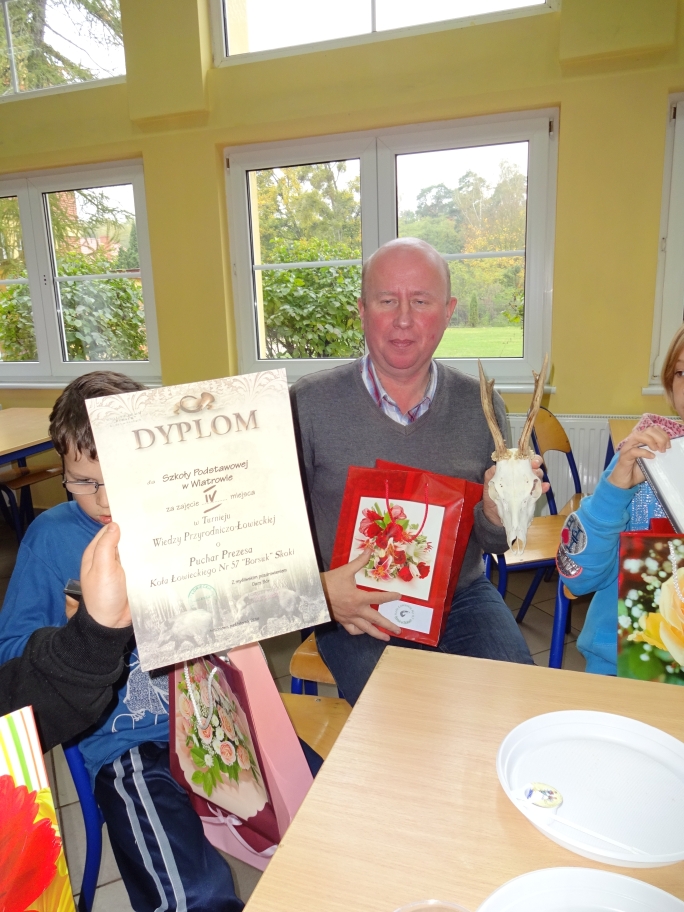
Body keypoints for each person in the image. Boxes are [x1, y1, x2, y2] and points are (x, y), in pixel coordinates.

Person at [0, 372, 244, 912]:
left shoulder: (191, 514)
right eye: (83, 482)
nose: (105, 500)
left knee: (336, 813)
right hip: (128, 745)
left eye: (120, 478)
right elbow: (9, 657)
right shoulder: (51, 538)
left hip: (221, 717)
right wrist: (72, 636)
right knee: (194, 896)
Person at [291, 237, 540, 705]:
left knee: (513, 701)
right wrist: (319, 592)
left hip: (461, 598)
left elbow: (492, 543)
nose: (403, 319)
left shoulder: (480, 406)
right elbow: (277, 533)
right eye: (387, 300)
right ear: (362, 310)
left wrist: (497, 513)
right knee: (403, 714)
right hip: (355, 602)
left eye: (421, 301)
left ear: (448, 311)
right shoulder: (308, 403)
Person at [558, 323, 684, 674]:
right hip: (621, 667)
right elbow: (576, 577)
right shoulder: (644, 462)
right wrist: (613, 491)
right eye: (682, 373)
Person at [0, 522, 133, 752]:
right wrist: (80, 632)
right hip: (122, 741)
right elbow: (8, 650)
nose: (105, 503)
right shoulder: (49, 536)